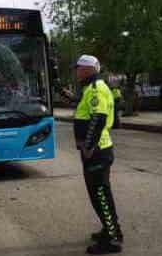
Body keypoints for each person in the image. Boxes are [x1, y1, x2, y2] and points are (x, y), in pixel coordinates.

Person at [61, 55, 123, 254]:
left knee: (101, 195)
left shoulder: (96, 88)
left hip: (97, 151)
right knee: (98, 194)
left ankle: (112, 240)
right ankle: (111, 230)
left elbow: (98, 119)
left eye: (78, 68)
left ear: (88, 69)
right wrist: (69, 96)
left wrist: (88, 147)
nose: (76, 71)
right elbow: (85, 108)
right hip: (94, 151)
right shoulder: (90, 88)